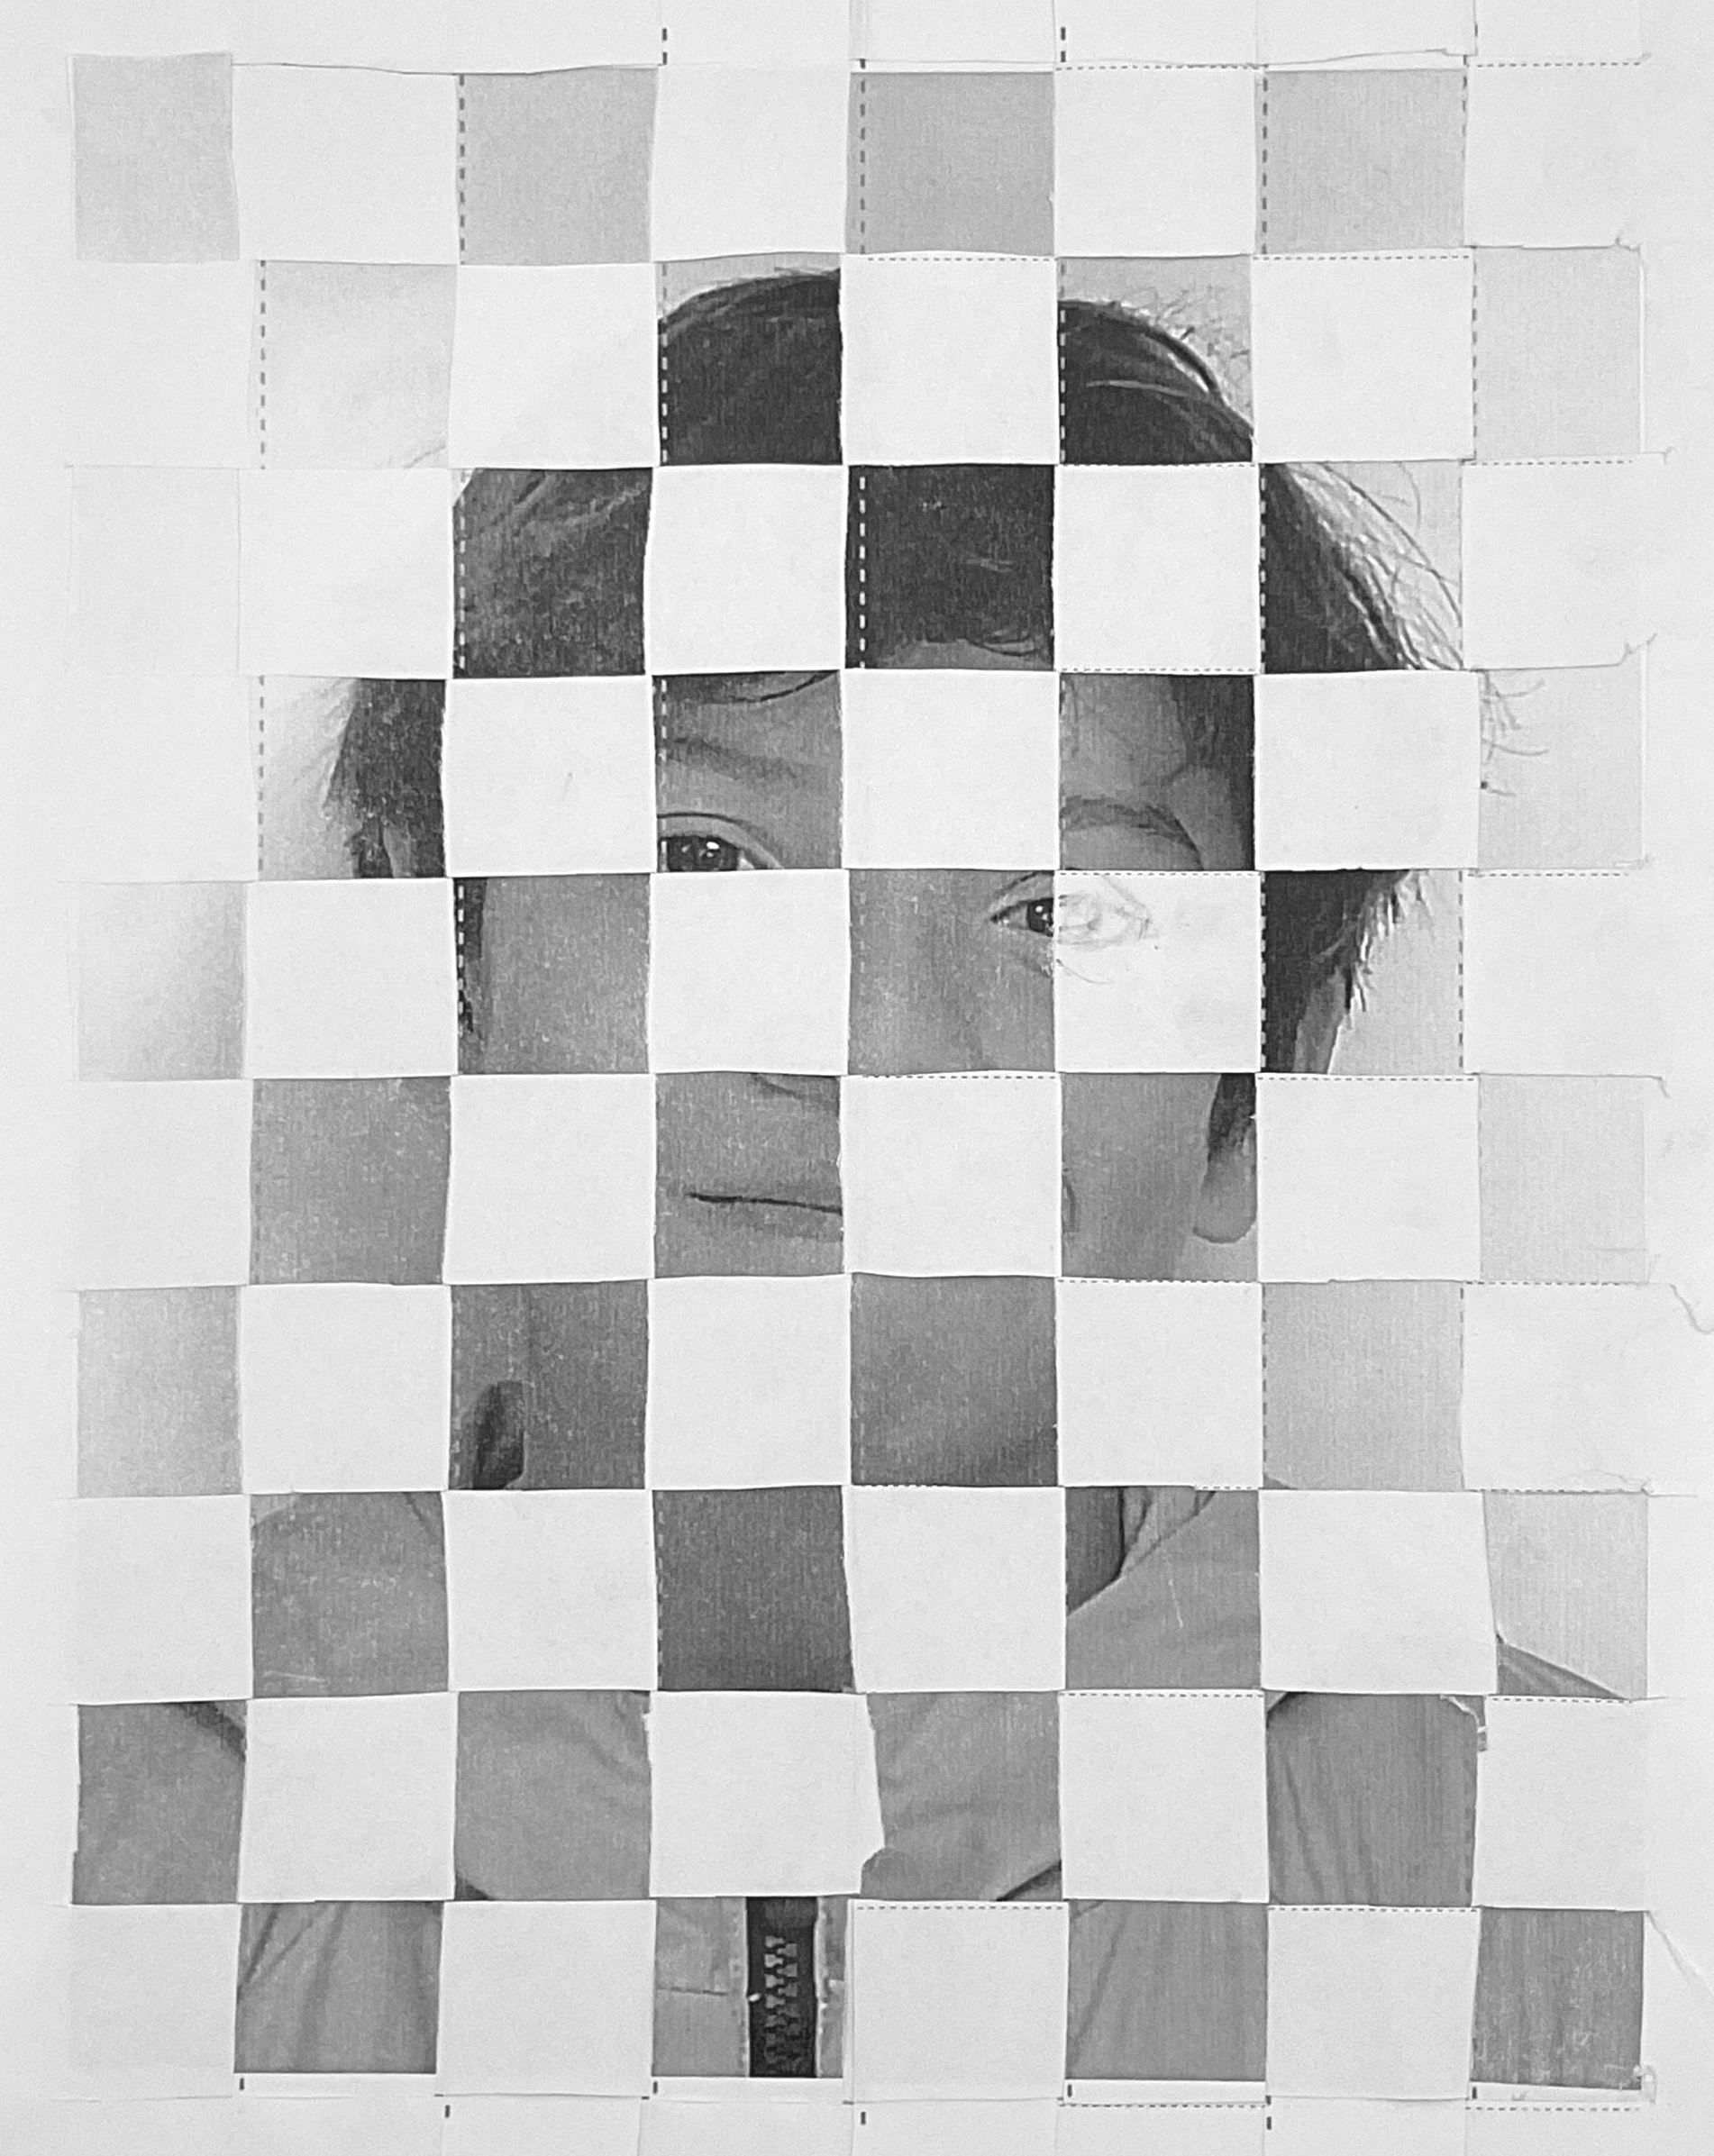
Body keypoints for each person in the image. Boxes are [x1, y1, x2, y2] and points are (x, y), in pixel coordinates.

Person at [76, 272, 1635, 2089]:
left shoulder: (1584, 1879)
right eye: (704, 858)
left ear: (1245, 1100)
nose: (865, 1046)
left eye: (1061, 908)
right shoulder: (95, 1818)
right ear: (447, 980)